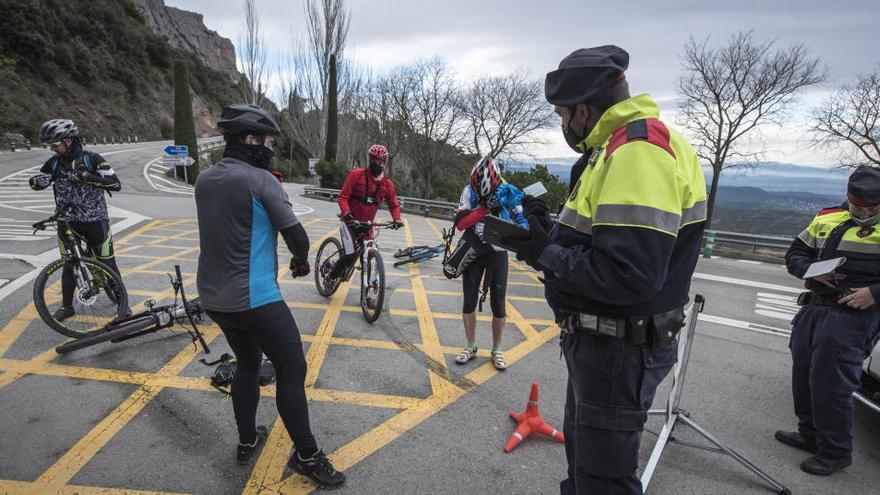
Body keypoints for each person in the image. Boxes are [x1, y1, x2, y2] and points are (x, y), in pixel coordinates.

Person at [502, 46, 707, 494]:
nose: (562, 124)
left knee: (603, 481)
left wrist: (543, 253)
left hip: (619, 348)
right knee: (585, 466)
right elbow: (598, 237)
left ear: (585, 108)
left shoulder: (637, 151)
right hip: (603, 343)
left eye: (562, 113)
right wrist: (543, 233)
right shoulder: (615, 148)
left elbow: (627, 274)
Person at [194, 103, 344, 489]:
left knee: (247, 363)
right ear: (249, 139)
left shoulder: (204, 179)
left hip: (212, 296)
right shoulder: (262, 181)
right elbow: (297, 236)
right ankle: (307, 456)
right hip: (254, 297)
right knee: (292, 370)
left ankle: (247, 439)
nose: (270, 148)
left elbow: (233, 228)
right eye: (267, 141)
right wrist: (300, 260)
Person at [777, 166, 880, 476]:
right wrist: (812, 270)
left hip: (854, 314)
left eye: (871, 209)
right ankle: (810, 435)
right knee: (804, 374)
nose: (863, 214)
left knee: (831, 383)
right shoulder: (826, 217)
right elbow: (795, 253)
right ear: (848, 199)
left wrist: (875, 293)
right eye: (857, 207)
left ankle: (835, 452)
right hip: (816, 305)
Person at [29, 119, 124, 321]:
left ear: (69, 140)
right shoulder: (53, 163)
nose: (52, 149)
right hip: (67, 221)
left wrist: (88, 177)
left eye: (55, 144)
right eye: (49, 145)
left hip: (95, 220)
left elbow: (115, 184)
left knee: (108, 263)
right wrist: (37, 182)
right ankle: (67, 306)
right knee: (68, 264)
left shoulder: (92, 159)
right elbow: (38, 182)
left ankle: (124, 307)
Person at [452, 155, 529, 370]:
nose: (480, 194)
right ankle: (471, 346)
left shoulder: (509, 191)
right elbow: (460, 224)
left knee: (498, 303)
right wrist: (482, 209)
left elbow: (522, 222)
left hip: (498, 252)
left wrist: (523, 227)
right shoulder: (469, 190)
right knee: (469, 300)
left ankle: (497, 350)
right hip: (475, 249)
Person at [327, 144, 404, 282]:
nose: (377, 164)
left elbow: (394, 205)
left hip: (366, 227)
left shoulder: (387, 184)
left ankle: (368, 291)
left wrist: (397, 219)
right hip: (349, 223)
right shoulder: (356, 175)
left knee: (367, 258)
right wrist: (346, 212)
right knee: (350, 254)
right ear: (369, 160)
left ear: (384, 163)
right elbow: (343, 197)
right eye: (374, 161)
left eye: (380, 162)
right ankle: (331, 277)